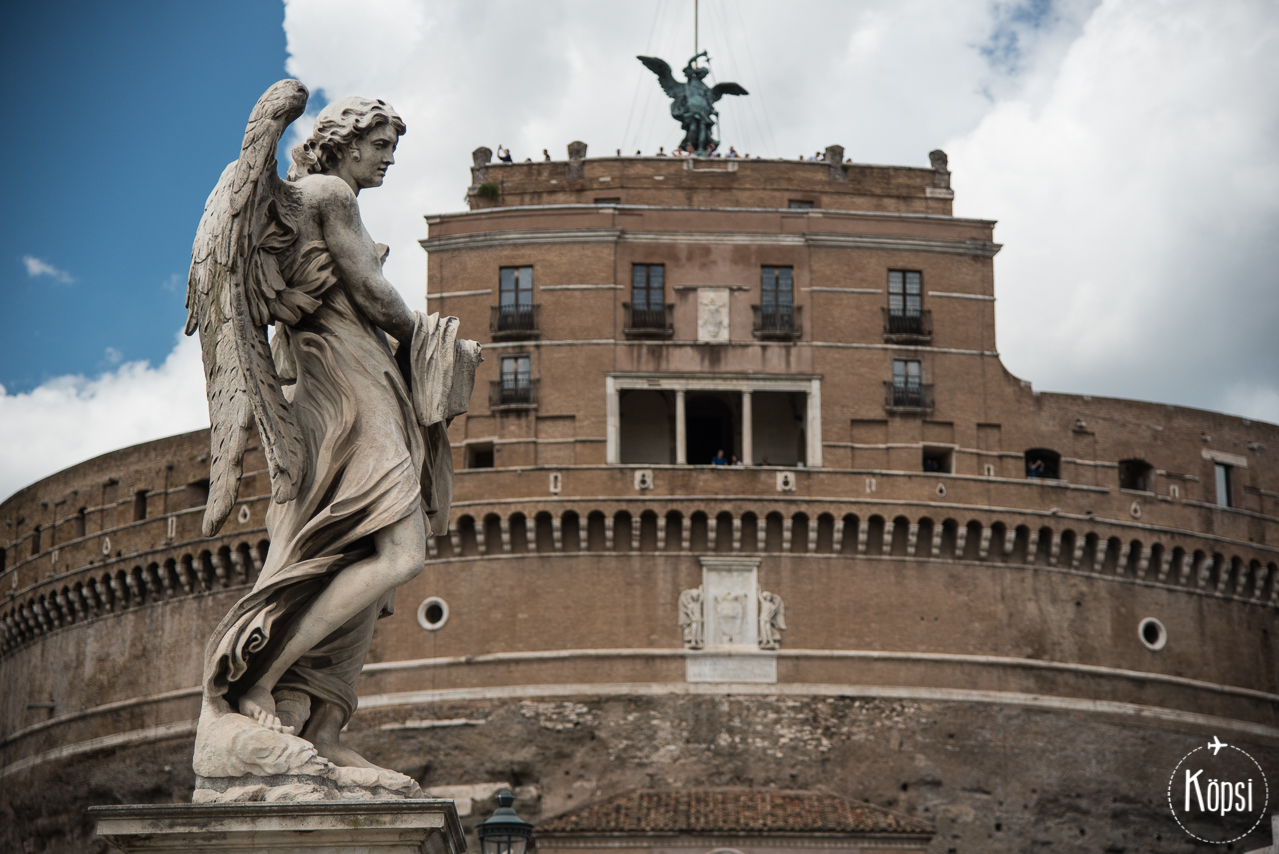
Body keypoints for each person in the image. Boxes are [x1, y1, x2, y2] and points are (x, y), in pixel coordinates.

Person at [196, 94, 479, 770]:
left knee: (361, 558)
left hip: (354, 376)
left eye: (391, 148)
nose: (387, 159)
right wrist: (442, 343)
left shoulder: (307, 200)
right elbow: (375, 294)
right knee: (399, 550)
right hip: (348, 383)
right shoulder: (326, 193)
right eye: (379, 146)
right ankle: (256, 679)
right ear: (344, 142)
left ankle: (321, 727)